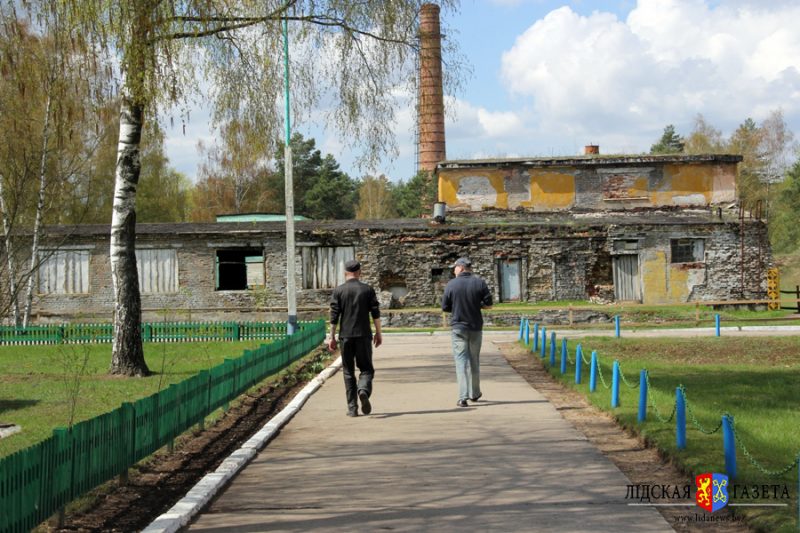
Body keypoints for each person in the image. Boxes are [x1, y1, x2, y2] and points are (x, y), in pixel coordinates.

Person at [328, 259, 382, 417]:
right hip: (363, 335)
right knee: (366, 369)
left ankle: (352, 408)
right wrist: (378, 333)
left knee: (348, 372)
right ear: (359, 272)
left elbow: (334, 316)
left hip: (346, 336)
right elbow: (375, 313)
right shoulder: (368, 290)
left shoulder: (339, 291)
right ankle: (363, 390)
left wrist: (331, 337)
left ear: (345, 272)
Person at [441, 257, 493, 407]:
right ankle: (474, 393)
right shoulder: (479, 283)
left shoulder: (451, 284)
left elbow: (445, 307)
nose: (454, 270)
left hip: (458, 327)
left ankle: (462, 397)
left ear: (462, 268)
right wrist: (478, 305)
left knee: (460, 361)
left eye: (455, 267)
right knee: (474, 360)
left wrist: (456, 306)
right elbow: (489, 304)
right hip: (475, 327)